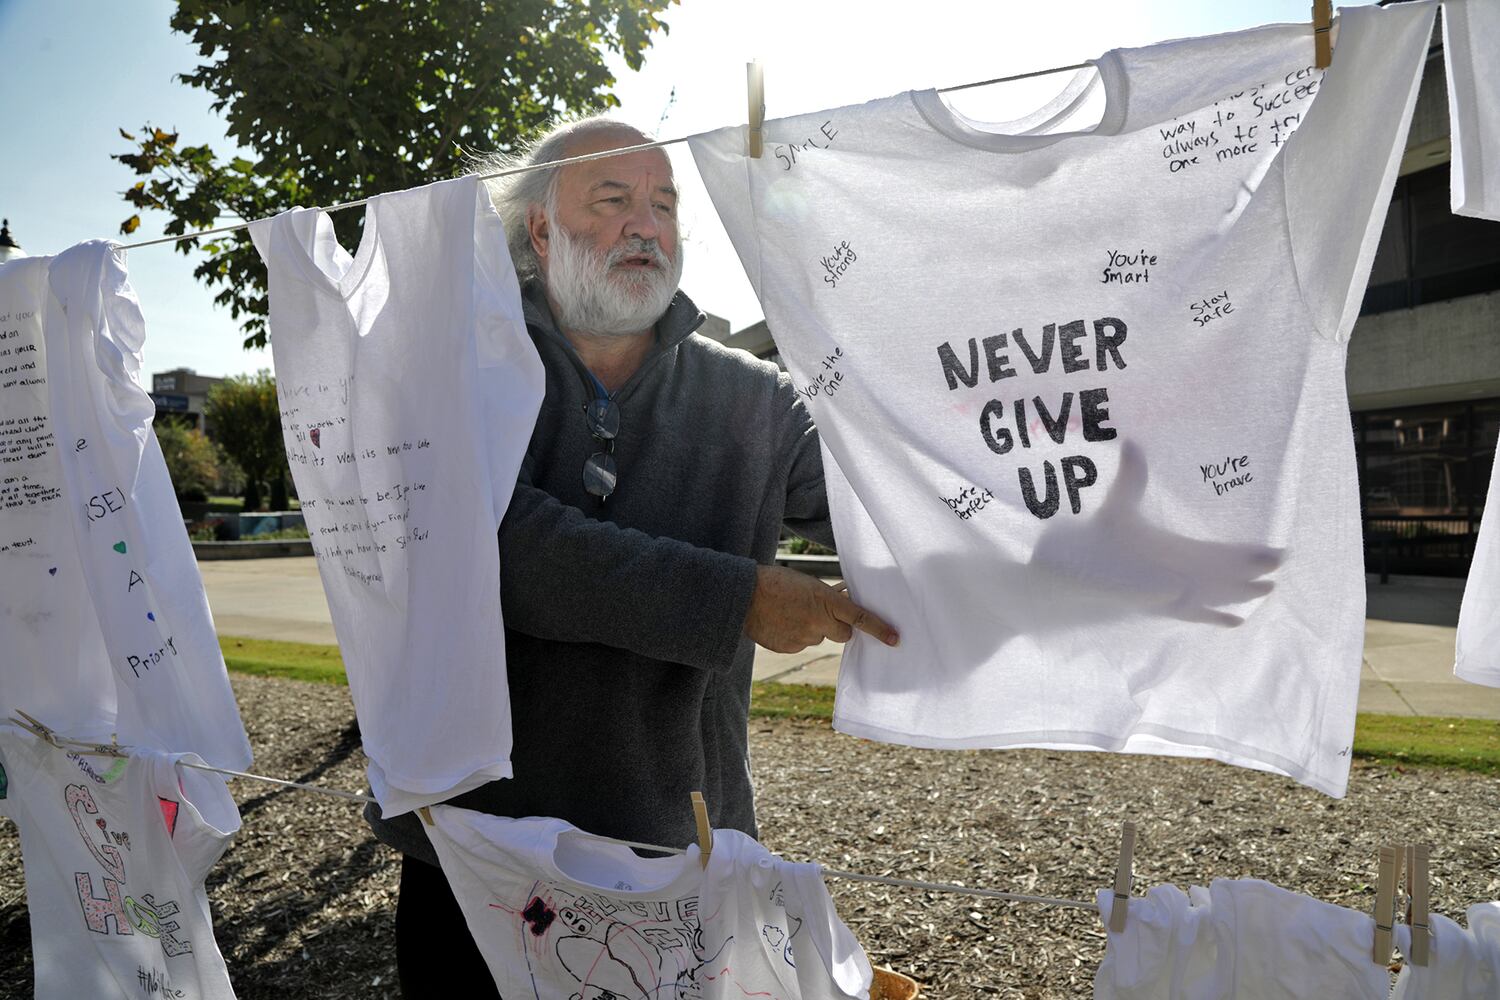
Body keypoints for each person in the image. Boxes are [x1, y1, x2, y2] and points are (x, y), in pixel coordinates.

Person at [363, 116, 898, 995]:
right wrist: (739, 600)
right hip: (474, 856)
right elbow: (496, 547)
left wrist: (1053, 496)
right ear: (539, 229)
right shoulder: (460, 372)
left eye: (664, 203)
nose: (645, 224)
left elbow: (879, 502)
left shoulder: (753, 398)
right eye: (612, 201)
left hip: (677, 852)